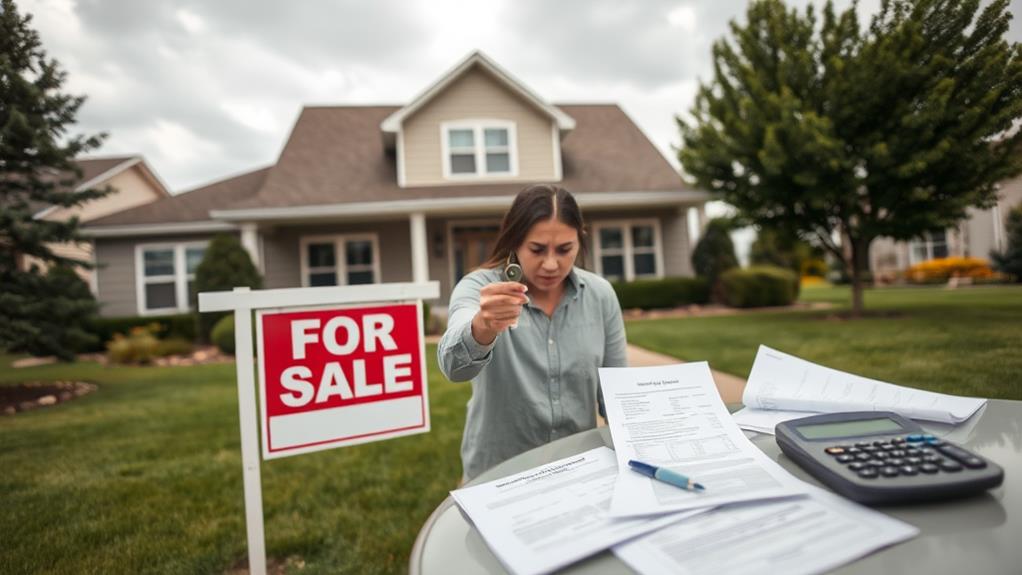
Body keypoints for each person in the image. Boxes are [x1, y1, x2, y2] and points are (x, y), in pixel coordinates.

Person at [438, 183, 628, 481]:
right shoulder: (478, 288)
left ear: (580, 240)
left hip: (578, 472)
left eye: (565, 249)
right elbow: (453, 367)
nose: (551, 264)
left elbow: (618, 398)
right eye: (537, 249)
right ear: (514, 242)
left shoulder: (600, 295)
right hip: (498, 475)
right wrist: (482, 327)